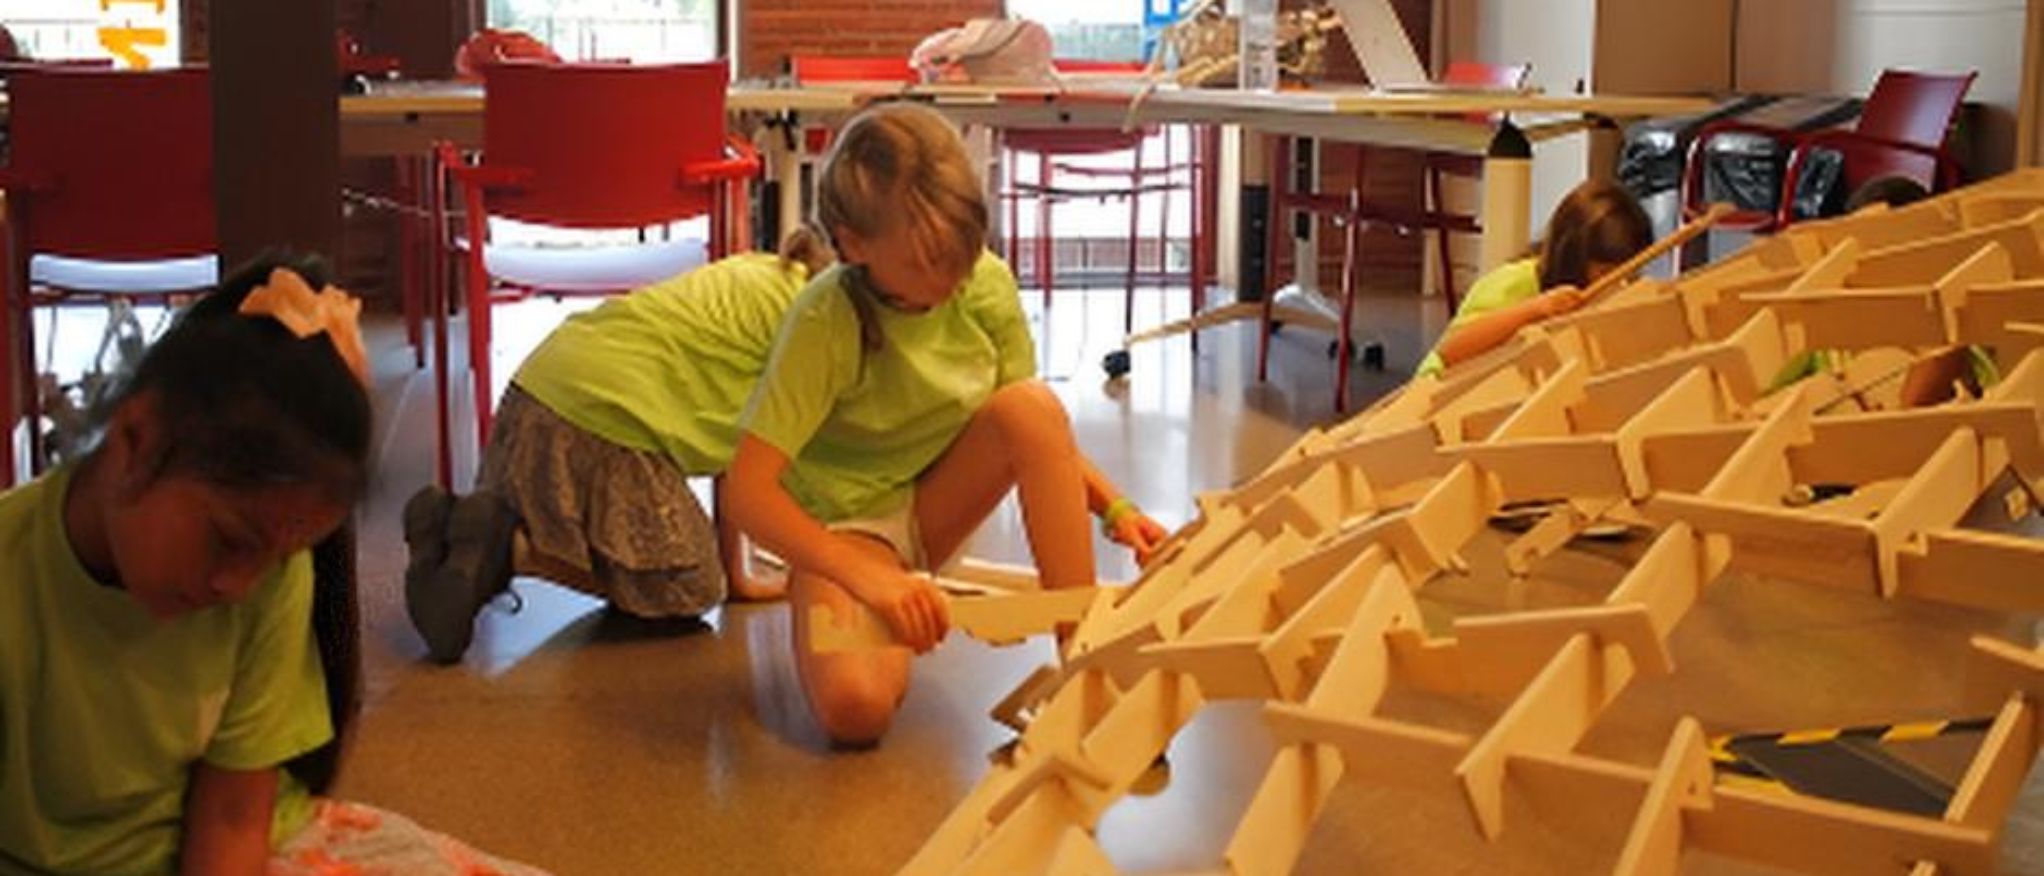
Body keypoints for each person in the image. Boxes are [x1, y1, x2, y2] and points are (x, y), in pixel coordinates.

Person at [0, 254, 546, 875]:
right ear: (135, 440)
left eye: (274, 558)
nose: (237, 584)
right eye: (228, 539)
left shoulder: (269, 580)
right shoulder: (14, 572)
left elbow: (233, 818)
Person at [723, 103, 1168, 747]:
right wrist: (863, 576)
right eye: (925, 265)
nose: (951, 280)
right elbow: (746, 493)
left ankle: (1084, 671)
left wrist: (1116, 508)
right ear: (854, 246)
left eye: (962, 256)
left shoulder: (979, 281)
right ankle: (869, 604)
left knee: (1031, 404)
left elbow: (1037, 432)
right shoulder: (826, 320)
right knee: (856, 710)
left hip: (930, 508)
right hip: (842, 529)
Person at [404, 230, 834, 665]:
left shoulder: (765, 272)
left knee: (659, 548)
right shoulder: (820, 326)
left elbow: (741, 452)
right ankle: (512, 549)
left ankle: (460, 525)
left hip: (532, 395)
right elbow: (764, 474)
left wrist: (740, 575)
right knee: (691, 588)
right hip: (605, 424)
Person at [1417, 178, 1655, 378]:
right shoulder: (1513, 283)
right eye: (1605, 273)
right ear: (1572, 259)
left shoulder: (1601, 293)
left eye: (1631, 275)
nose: (1620, 286)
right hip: (1434, 396)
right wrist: (1536, 309)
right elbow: (1449, 353)